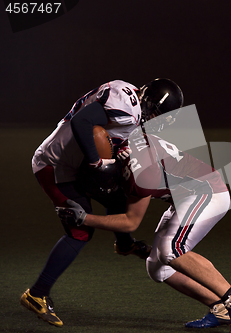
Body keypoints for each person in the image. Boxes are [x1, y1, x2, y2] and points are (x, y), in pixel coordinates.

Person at [21, 78, 184, 327]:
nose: (154, 118)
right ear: (147, 102)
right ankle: (37, 294)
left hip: (75, 165)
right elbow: (82, 121)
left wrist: (117, 152)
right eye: (155, 113)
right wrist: (98, 162)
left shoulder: (129, 99)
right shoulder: (128, 107)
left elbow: (109, 133)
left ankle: (124, 244)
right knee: (80, 231)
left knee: (118, 193)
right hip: (56, 167)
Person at [57, 127, 231, 333]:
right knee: (158, 268)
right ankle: (219, 307)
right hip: (184, 196)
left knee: (173, 249)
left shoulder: (138, 172)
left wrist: (84, 219)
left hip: (206, 191)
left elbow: (130, 221)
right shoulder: (124, 141)